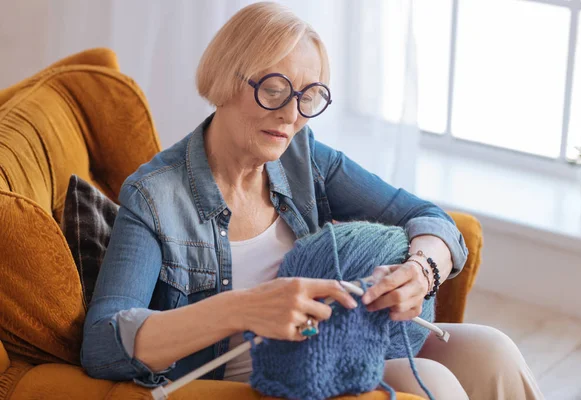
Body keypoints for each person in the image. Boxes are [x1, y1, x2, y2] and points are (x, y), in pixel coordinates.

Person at [81, 2, 543, 399]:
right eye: (274, 90)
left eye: (308, 96)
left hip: (332, 345)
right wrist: (245, 308)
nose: (290, 114)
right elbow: (102, 344)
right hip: (249, 378)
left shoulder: (303, 157)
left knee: (492, 350)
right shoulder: (155, 195)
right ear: (225, 77)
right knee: (433, 385)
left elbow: (429, 219)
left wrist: (422, 272)